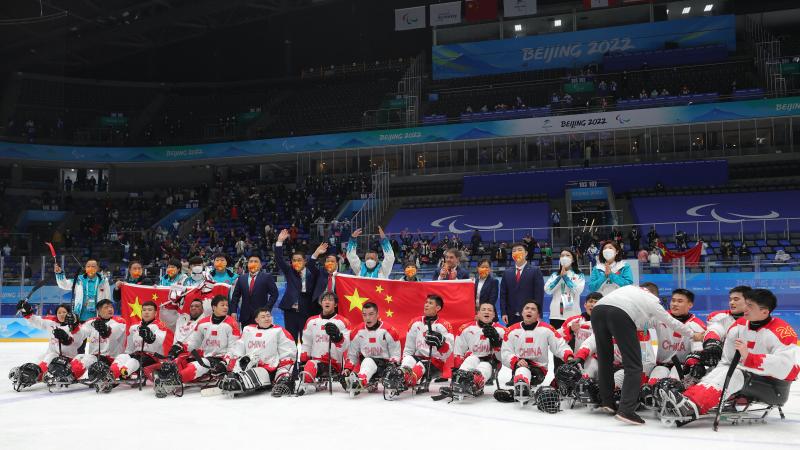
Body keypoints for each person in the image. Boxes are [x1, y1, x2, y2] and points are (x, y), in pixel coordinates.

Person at [662, 289, 799, 424]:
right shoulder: (738, 325)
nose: (745, 308)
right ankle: (688, 399)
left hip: (775, 388)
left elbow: (789, 368)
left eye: (750, 306)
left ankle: (692, 407)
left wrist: (750, 358)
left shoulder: (782, 332)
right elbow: (726, 362)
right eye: (746, 303)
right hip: (747, 377)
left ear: (764, 311)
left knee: (736, 373)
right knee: (723, 369)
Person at [590, 283, 695, 425]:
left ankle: (607, 402)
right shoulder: (652, 300)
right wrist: (692, 334)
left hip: (598, 311)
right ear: (655, 294)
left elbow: (641, 322)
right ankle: (626, 410)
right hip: (619, 315)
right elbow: (669, 321)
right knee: (634, 366)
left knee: (605, 360)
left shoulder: (629, 289)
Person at [499, 300, 574, 401]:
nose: (529, 311)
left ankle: (520, 391)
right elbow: (505, 352)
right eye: (527, 308)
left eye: (533, 309)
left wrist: (568, 356)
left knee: (523, 372)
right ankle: (521, 391)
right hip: (518, 367)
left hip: (538, 371)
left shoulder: (547, 329)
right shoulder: (511, 330)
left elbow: (559, 345)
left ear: (538, 314)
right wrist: (516, 361)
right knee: (522, 370)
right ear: (522, 312)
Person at [222, 307, 296, 397]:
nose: (267, 318)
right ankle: (234, 379)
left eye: (268, 316)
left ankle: (238, 381)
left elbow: (288, 352)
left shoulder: (279, 331)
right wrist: (233, 364)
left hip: (268, 369)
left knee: (245, 378)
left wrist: (282, 372)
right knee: (236, 370)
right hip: (248, 365)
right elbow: (239, 348)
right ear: (256, 320)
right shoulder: (248, 330)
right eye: (263, 317)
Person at [8, 302, 82, 391]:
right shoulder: (51, 322)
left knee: (50, 357)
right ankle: (29, 374)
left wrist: (66, 338)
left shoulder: (74, 327)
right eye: (59, 313)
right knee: (44, 360)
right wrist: (27, 311)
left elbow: (77, 341)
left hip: (68, 359)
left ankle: (35, 375)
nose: (61, 314)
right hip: (51, 355)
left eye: (64, 312)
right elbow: (36, 321)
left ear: (69, 313)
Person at [171, 295, 240, 384]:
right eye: (222, 305)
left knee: (193, 368)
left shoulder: (232, 323)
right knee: (183, 363)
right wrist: (181, 347)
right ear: (214, 307)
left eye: (227, 305)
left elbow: (234, 348)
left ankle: (173, 382)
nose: (225, 307)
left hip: (223, 360)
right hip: (207, 358)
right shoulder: (203, 322)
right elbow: (194, 342)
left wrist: (225, 363)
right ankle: (169, 378)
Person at [275, 231, 327, 340]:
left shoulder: (311, 272)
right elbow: (279, 260)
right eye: (294, 260)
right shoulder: (290, 271)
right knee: (290, 340)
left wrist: (316, 253)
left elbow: (312, 265)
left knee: (306, 340)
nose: (296, 262)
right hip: (290, 311)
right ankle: (292, 358)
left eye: (299, 260)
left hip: (306, 310)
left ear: (305, 261)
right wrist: (279, 242)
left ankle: (305, 357)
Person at [647, 289, 706, 385]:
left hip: (683, 366)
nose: (674, 304)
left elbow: (698, 351)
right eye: (673, 300)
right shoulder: (659, 318)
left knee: (673, 384)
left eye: (680, 301)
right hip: (660, 365)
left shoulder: (697, 325)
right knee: (653, 384)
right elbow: (642, 326)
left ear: (690, 305)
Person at [297, 292, 352, 394]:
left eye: (330, 300)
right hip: (316, 362)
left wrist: (338, 338)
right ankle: (307, 383)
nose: (327, 301)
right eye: (324, 299)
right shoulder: (311, 321)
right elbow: (306, 343)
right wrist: (303, 360)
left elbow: (348, 346)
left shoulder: (343, 321)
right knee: (310, 364)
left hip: (334, 364)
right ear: (320, 303)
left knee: (311, 365)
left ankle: (348, 380)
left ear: (335, 304)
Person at [107, 301, 174, 384]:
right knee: (122, 356)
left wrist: (150, 337)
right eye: (144, 310)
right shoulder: (134, 326)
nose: (146, 312)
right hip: (137, 354)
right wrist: (127, 355)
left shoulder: (159, 325)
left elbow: (158, 341)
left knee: (133, 361)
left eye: (150, 310)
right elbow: (130, 346)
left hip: (152, 357)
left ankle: (123, 373)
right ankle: (110, 374)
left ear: (155, 313)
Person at [449, 302, 505, 398]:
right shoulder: (465, 328)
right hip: (474, 357)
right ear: (477, 314)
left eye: (490, 310)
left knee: (484, 365)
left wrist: (496, 342)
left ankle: (473, 383)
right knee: (471, 359)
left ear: (494, 315)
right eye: (483, 309)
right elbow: (458, 352)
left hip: (492, 362)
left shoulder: (502, 330)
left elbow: (502, 358)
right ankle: (458, 381)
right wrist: (458, 369)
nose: (486, 312)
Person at [346, 302, 402, 394]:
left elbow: (396, 354)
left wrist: (392, 366)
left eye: (371, 314)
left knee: (368, 361)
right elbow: (352, 355)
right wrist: (347, 369)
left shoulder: (389, 330)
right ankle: (358, 382)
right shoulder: (357, 331)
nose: (367, 318)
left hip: (385, 366)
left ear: (377, 315)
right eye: (364, 315)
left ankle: (359, 381)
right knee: (367, 360)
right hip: (366, 364)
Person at [400, 294, 454, 389]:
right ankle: (400, 377)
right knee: (408, 360)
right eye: (426, 302)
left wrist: (441, 344)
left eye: (430, 303)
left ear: (437, 308)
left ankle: (409, 379)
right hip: (418, 357)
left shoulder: (444, 325)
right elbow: (409, 348)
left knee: (422, 365)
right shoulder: (415, 322)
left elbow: (447, 352)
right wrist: (404, 363)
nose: (426, 305)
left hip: (435, 362)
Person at [70, 299, 127, 383]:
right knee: (80, 358)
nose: (110, 309)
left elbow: (114, 333)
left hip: (112, 359)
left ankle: (110, 376)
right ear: (99, 311)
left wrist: (106, 330)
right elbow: (81, 334)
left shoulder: (120, 321)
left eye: (111, 307)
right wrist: (74, 326)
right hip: (95, 358)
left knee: (121, 360)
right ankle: (70, 375)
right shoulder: (91, 322)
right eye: (106, 307)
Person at [498, 242, 544, 325]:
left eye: (519, 250)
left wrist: (538, 313)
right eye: (514, 251)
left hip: (529, 315)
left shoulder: (535, 271)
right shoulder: (507, 272)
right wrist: (503, 312)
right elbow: (503, 295)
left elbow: (539, 295)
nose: (516, 252)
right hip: (511, 315)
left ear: (526, 253)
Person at [230, 255, 279, 327]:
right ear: (247, 264)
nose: (253, 263)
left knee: (261, 337)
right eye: (251, 261)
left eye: (256, 261)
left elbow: (274, 294)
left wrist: (266, 309)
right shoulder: (241, 278)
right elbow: (235, 296)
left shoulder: (267, 277)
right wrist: (233, 311)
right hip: (245, 317)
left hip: (261, 316)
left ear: (260, 265)